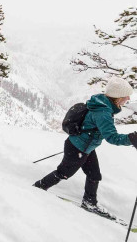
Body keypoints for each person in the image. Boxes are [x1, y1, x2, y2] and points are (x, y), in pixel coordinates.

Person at [33, 77, 137, 215]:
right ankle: (38, 187)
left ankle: (89, 202)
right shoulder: (103, 112)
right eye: (126, 95)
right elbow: (112, 138)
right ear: (117, 97)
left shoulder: (102, 102)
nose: (128, 98)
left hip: (84, 147)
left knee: (94, 175)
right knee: (63, 173)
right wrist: (132, 138)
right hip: (78, 148)